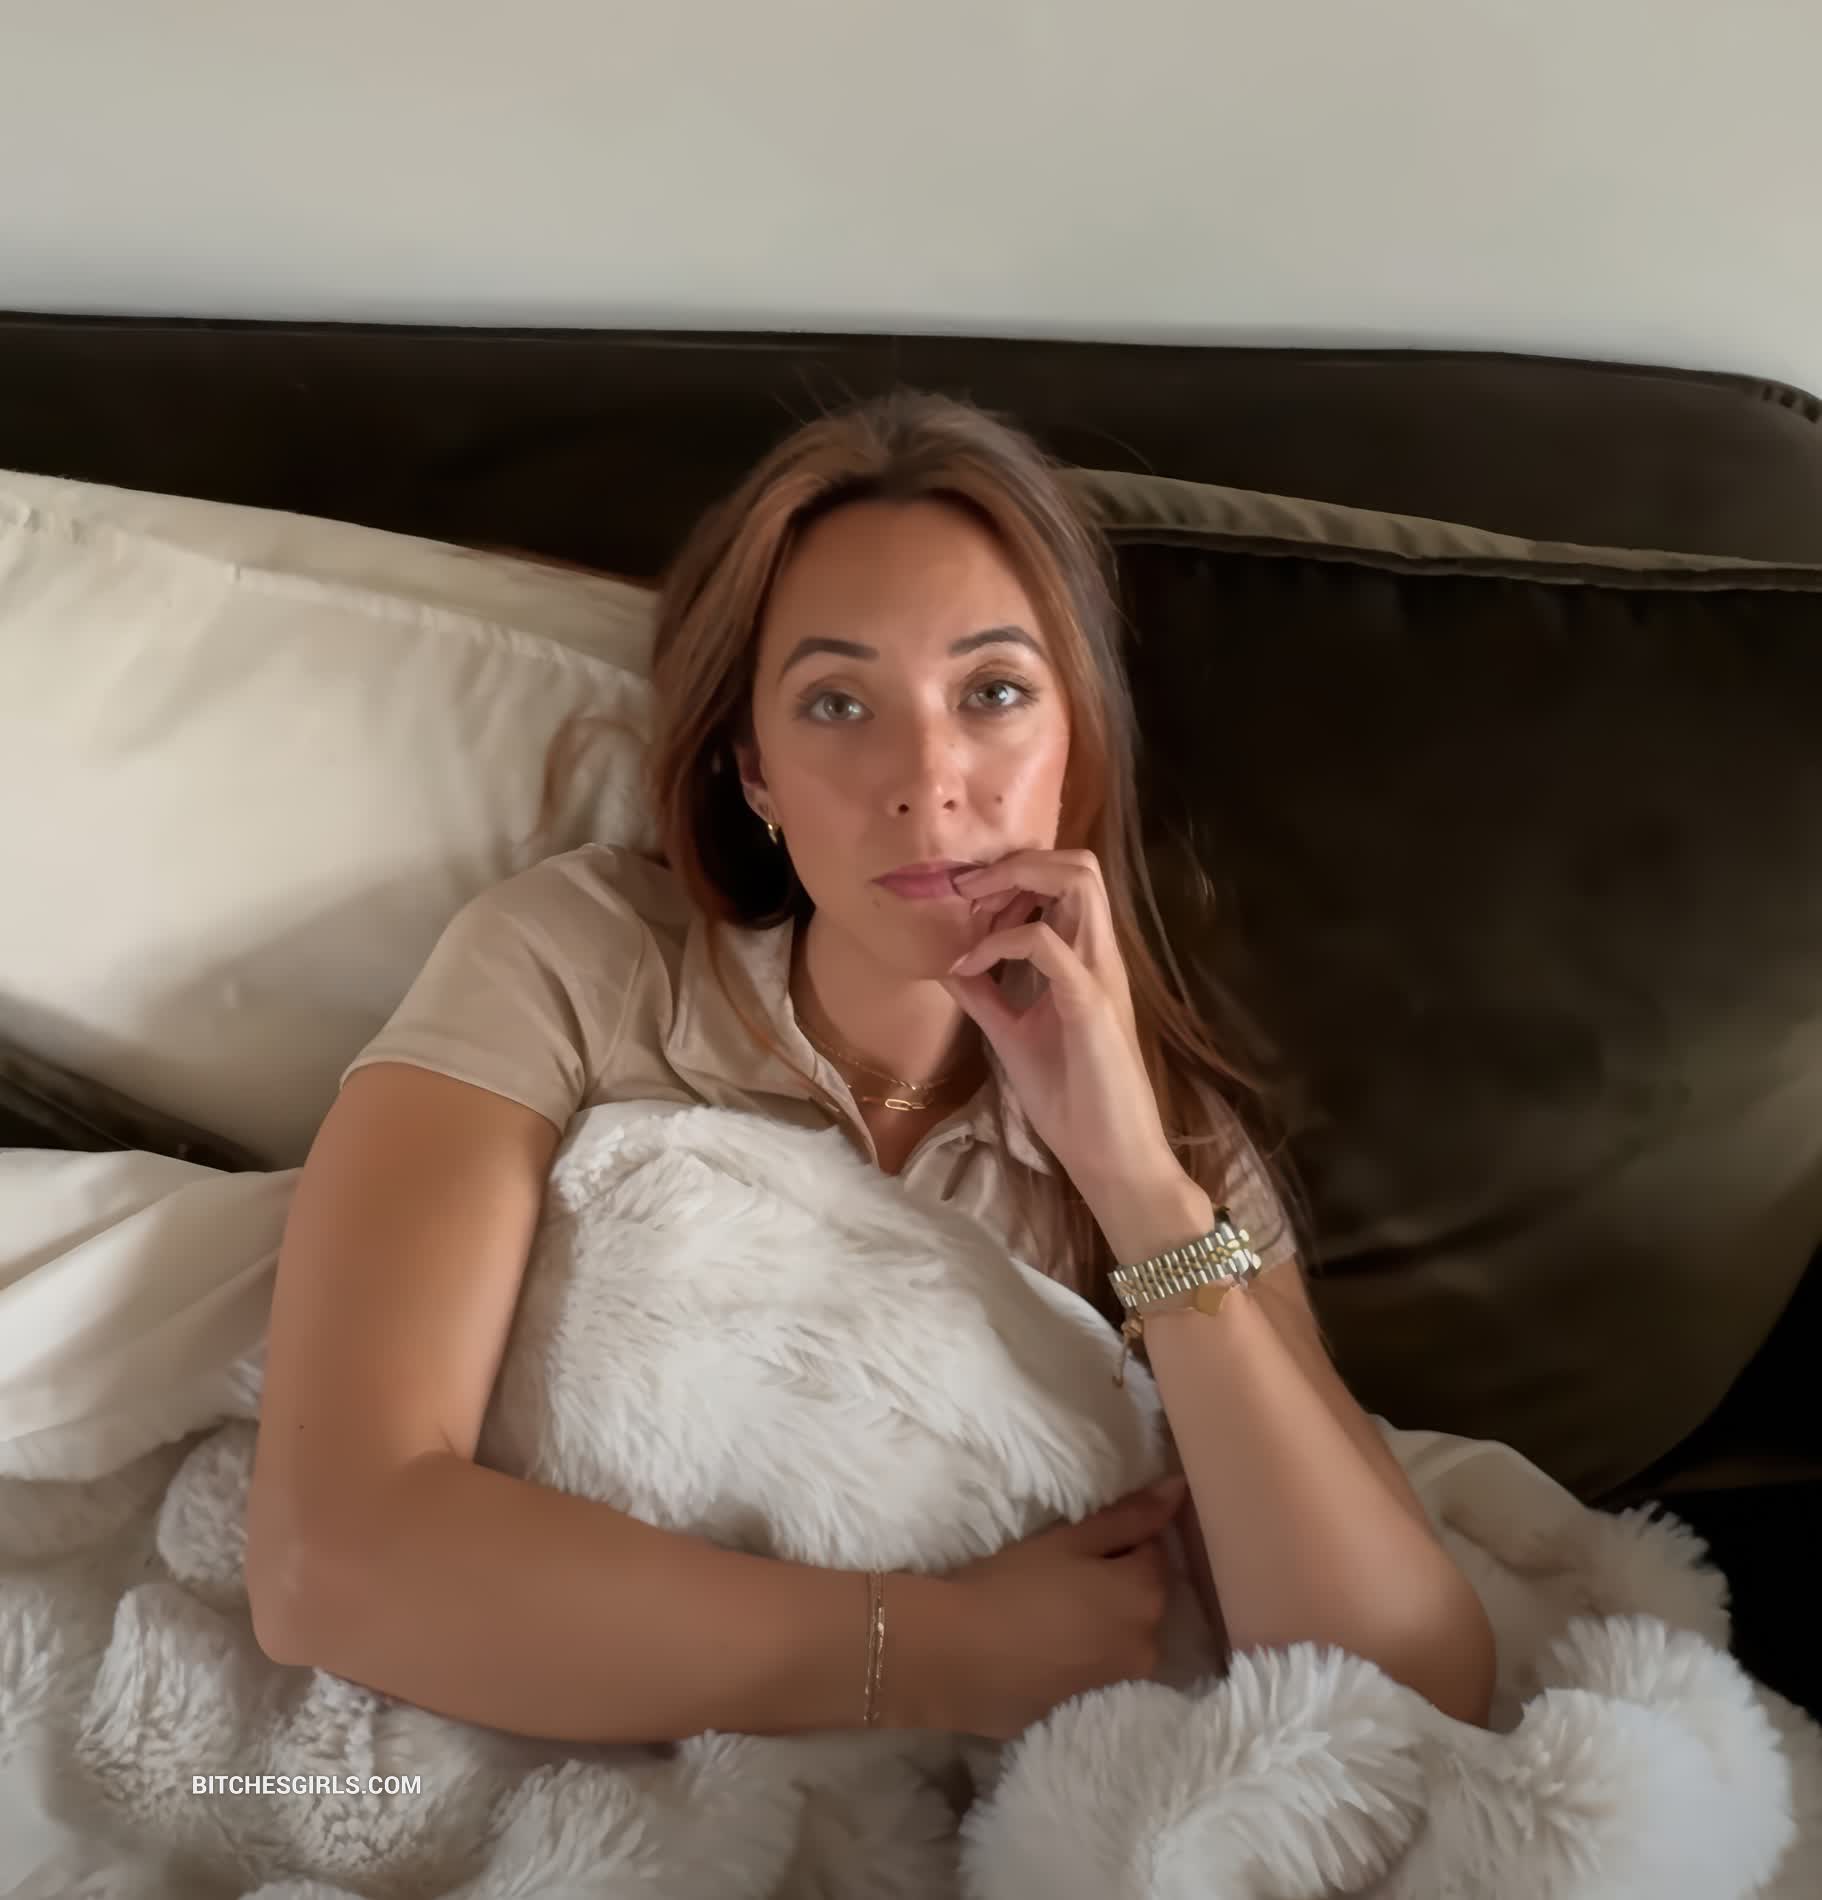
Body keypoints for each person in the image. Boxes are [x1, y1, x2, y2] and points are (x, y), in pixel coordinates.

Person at [244, 391, 1497, 1744]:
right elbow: (329, 1562)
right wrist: (943, 1650)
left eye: (994, 694)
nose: (927, 778)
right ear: (755, 773)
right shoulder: (571, 963)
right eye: (838, 704)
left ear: (1073, 747)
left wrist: (1133, 1184)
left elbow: (1412, 1691)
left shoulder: (1167, 1138)